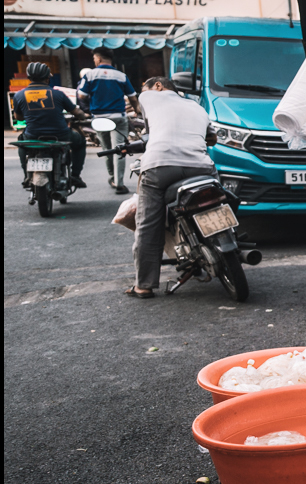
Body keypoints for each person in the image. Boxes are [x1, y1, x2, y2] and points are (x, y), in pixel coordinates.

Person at [128, 76, 216, 299]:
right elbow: (211, 138)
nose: (142, 93)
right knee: (218, 201)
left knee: (148, 224)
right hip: (202, 167)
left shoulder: (148, 97)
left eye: (144, 87)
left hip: (160, 167)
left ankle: (144, 286)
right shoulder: (197, 106)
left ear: (157, 86)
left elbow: (147, 134)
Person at [13, 62, 86, 188]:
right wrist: (84, 116)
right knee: (80, 142)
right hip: (61, 136)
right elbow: (76, 112)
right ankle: (75, 175)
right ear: (47, 78)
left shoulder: (19, 95)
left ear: (29, 78)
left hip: (33, 136)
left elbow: (18, 117)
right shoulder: (58, 94)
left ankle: (26, 176)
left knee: (22, 145)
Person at [77, 49, 138, 193]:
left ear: (98, 59)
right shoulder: (121, 76)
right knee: (120, 149)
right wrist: (137, 110)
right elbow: (133, 97)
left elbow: (82, 96)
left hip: (99, 118)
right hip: (118, 117)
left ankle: (112, 177)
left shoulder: (90, 75)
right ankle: (119, 183)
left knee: (107, 149)